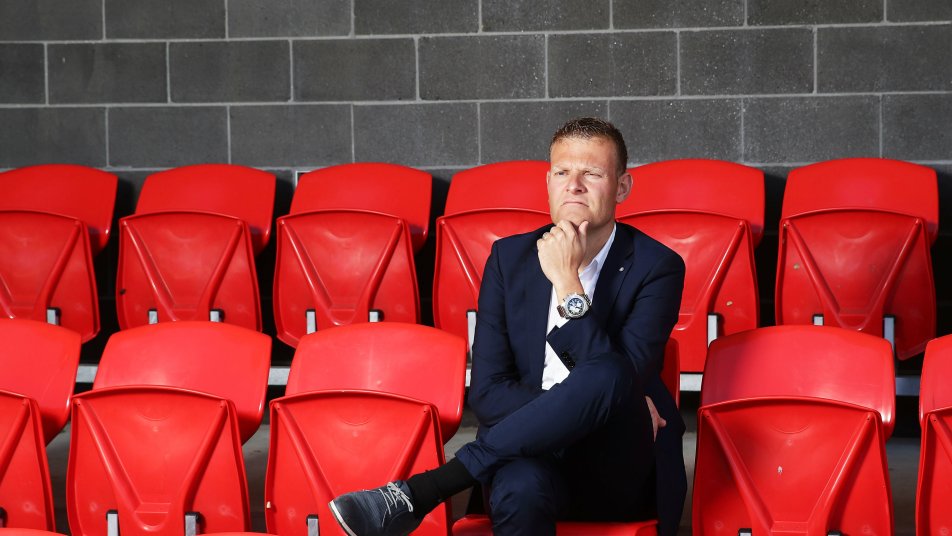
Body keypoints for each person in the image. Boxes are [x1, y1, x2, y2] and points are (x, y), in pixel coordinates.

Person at [330, 117, 686, 536]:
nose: (574, 185)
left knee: (610, 371)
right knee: (519, 486)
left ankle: (421, 491)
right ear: (548, 183)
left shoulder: (657, 266)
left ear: (622, 187)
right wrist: (561, 415)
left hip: (613, 463)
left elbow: (619, 384)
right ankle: (415, 496)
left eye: (592, 173)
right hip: (527, 455)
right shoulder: (509, 259)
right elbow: (487, 393)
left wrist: (566, 281)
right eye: (562, 172)